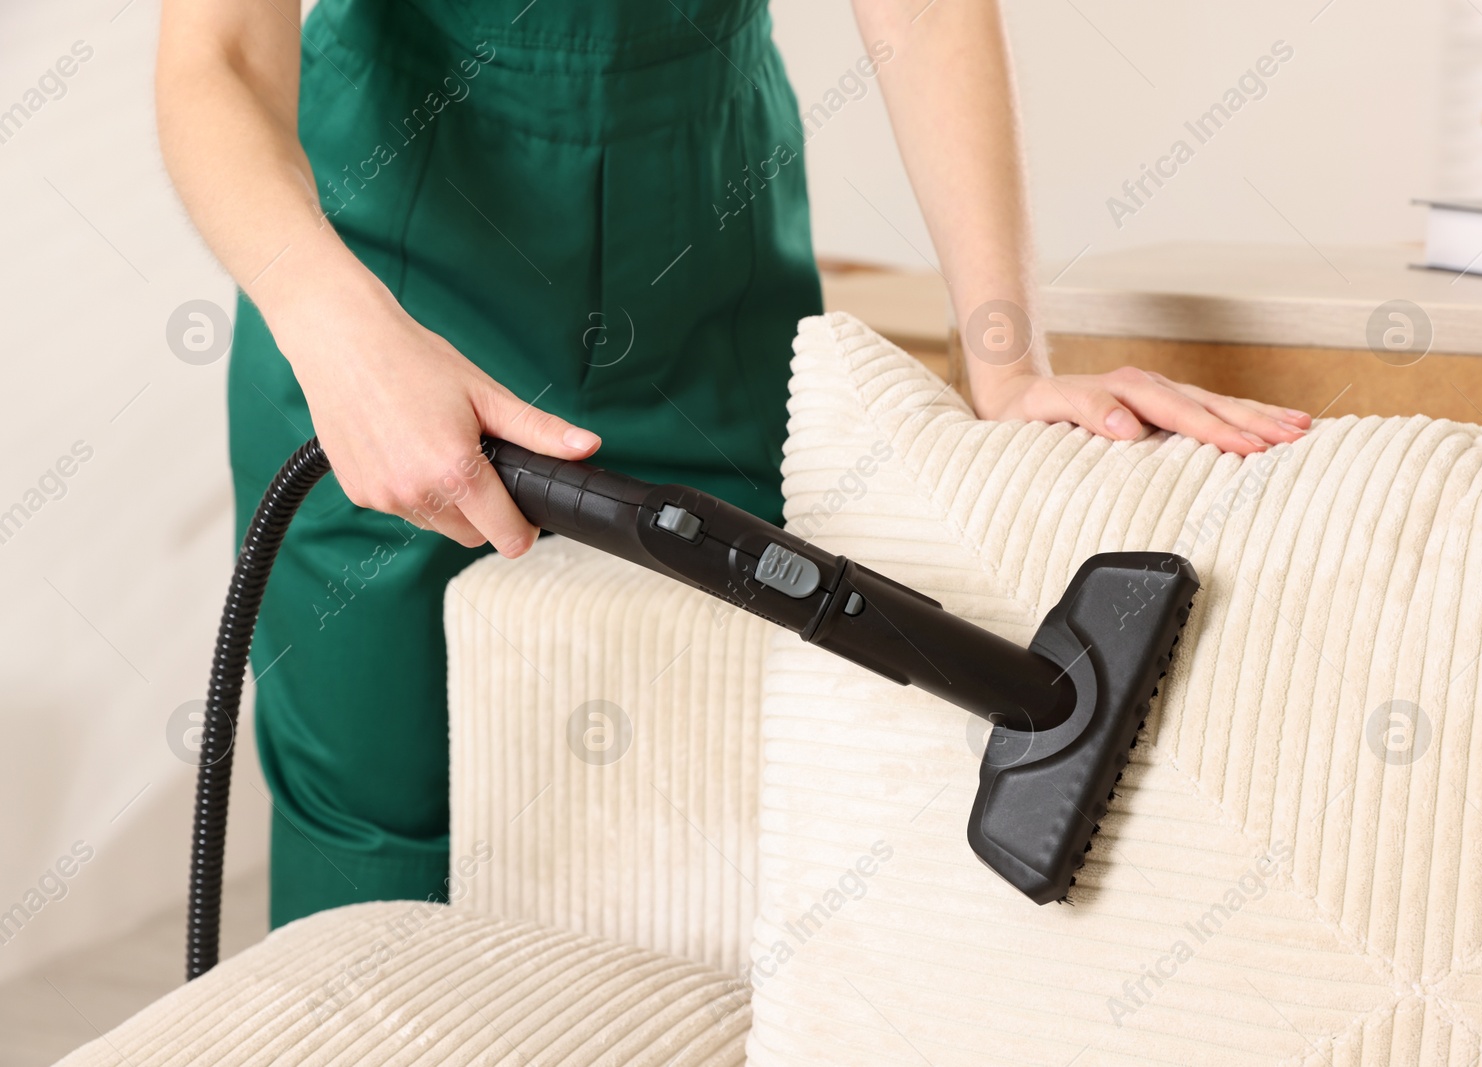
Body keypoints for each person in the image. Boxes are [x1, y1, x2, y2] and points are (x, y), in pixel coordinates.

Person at [156, 0, 1309, 928]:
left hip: (704, 272)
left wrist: (1002, 359)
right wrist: (343, 337)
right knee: (382, 828)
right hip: (383, 285)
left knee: (729, 801)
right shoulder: (357, 320)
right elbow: (215, 54)